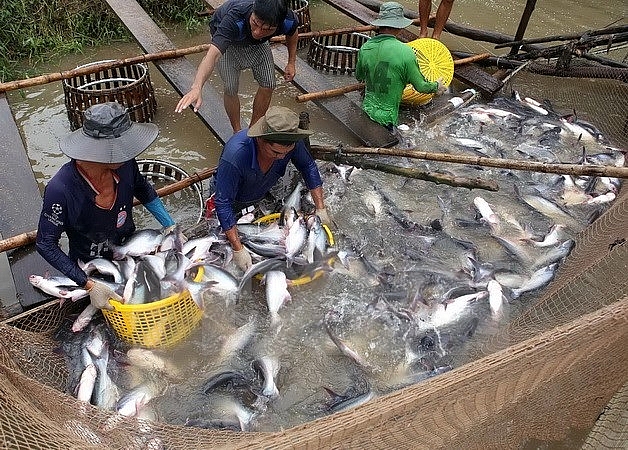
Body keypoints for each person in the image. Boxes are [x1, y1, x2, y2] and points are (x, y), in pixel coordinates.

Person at [36, 102, 175, 310]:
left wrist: (170, 225)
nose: (127, 152)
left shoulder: (126, 164)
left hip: (130, 250)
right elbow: (45, 243)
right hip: (89, 265)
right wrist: (88, 284)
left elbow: (142, 188)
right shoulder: (61, 190)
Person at [211, 106, 331, 272]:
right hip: (233, 198)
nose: (281, 157)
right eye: (275, 152)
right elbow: (223, 203)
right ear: (261, 140)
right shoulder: (236, 155)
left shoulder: (291, 144)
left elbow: (308, 166)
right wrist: (238, 249)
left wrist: (320, 207)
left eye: (286, 152)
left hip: (261, 187)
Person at [174, 0, 299, 133]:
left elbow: (292, 32)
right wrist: (197, 87)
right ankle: (237, 131)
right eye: (255, 23)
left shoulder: (288, 20)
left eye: (266, 29)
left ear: (278, 24)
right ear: (252, 13)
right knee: (230, 87)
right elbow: (212, 55)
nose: (257, 32)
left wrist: (291, 62)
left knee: (268, 84)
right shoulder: (234, 19)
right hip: (230, 44)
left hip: (259, 45)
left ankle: (253, 129)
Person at [355, 2, 447, 129]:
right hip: (387, 118)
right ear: (399, 27)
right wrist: (436, 86)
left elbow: (359, 75)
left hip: (367, 109)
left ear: (380, 25)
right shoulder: (406, 52)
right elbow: (421, 87)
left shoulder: (365, 48)